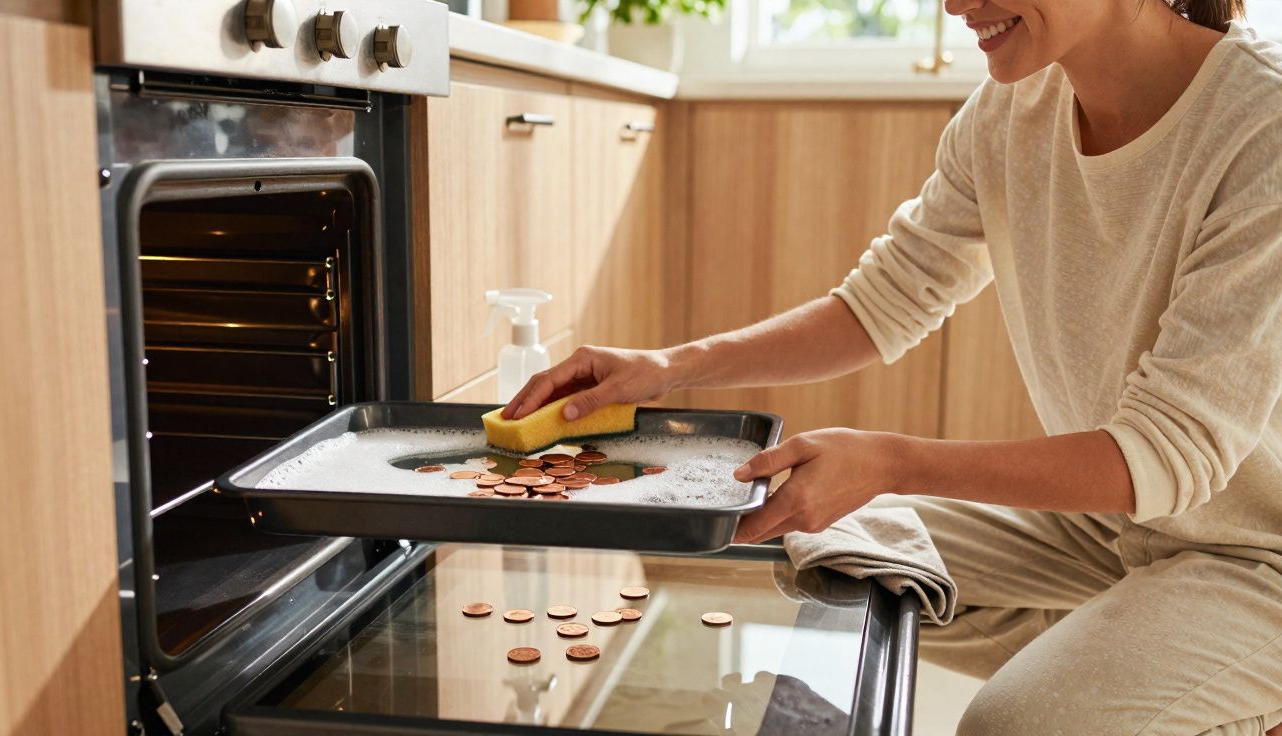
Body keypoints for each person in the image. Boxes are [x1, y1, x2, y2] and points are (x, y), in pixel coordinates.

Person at [504, 0, 1282, 732]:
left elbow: (1167, 454)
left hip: (1256, 552)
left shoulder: (1261, 125)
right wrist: (669, 367)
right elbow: (883, 303)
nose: (953, 5)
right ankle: (1127, 646)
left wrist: (892, 460)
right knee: (827, 540)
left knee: (1013, 724)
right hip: (1115, 525)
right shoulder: (1013, 111)